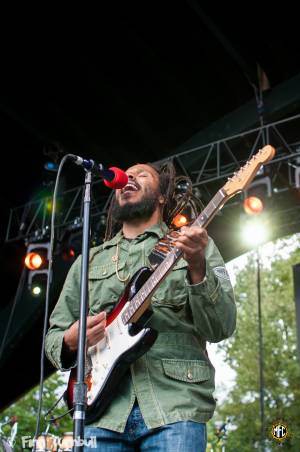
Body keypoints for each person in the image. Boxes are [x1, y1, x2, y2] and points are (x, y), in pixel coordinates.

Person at [45, 161, 236, 451]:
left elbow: (222, 326)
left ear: (161, 196)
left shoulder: (194, 246)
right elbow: (54, 337)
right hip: (101, 415)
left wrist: (197, 265)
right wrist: (71, 339)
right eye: (127, 174)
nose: (129, 176)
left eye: (142, 174)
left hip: (173, 407)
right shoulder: (89, 261)